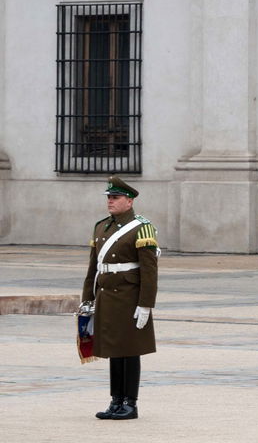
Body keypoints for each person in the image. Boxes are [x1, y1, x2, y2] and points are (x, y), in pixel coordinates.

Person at [81, 176, 159, 420]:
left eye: (115, 198)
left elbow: (149, 271)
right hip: (106, 296)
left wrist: (146, 304)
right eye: (109, 198)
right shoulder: (102, 227)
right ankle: (116, 400)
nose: (110, 202)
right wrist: (87, 298)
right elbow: (93, 267)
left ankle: (130, 403)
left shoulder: (142, 227)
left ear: (129, 200)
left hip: (129, 297)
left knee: (130, 349)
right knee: (114, 349)